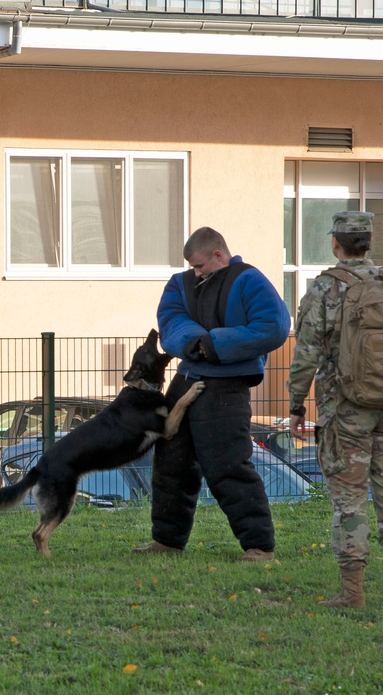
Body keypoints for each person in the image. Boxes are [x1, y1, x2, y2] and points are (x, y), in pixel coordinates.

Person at [134, 227, 291, 561]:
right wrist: (193, 343)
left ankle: (259, 545)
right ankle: (167, 539)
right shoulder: (180, 284)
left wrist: (213, 345)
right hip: (185, 381)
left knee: (228, 465)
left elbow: (273, 327)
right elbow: (170, 320)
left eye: (200, 265)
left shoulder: (250, 280)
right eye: (193, 267)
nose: (196, 272)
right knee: (170, 464)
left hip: (228, 386)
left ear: (219, 255)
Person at [287, 211, 383, 608]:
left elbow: (306, 353)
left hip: (345, 409)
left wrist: (296, 404)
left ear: (335, 243)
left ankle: (353, 592)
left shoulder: (325, 289)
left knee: (349, 500)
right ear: (368, 243)